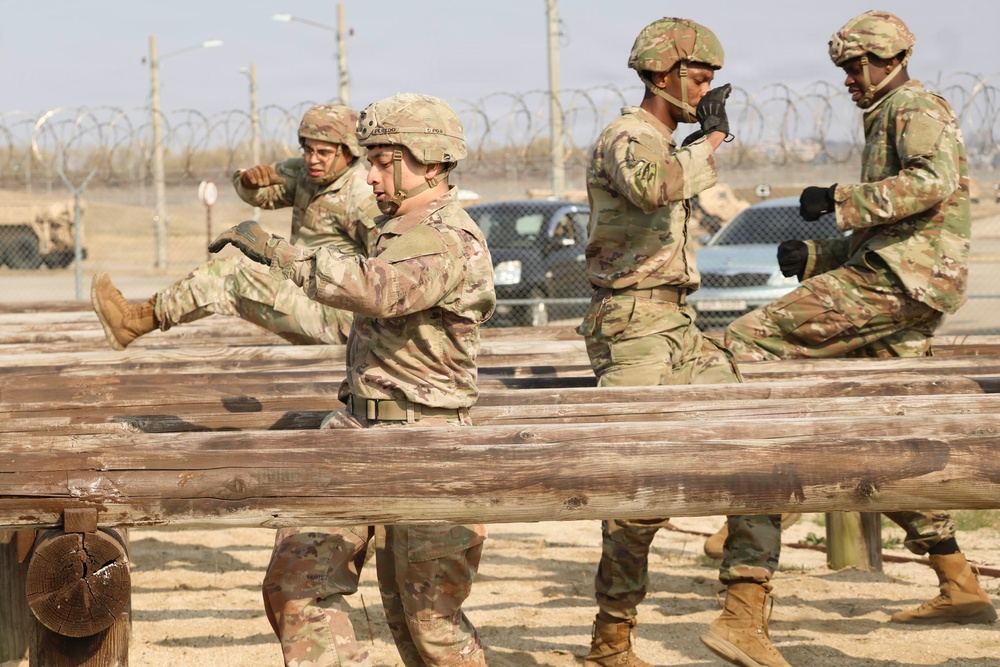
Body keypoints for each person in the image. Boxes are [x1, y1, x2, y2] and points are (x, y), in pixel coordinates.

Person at [714, 10, 997, 666]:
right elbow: (894, 227)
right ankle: (959, 581)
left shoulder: (911, 106)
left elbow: (932, 184)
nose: (846, 79)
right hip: (907, 278)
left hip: (903, 283)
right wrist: (815, 259)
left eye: (853, 66)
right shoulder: (889, 112)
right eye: (840, 68)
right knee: (883, 439)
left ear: (886, 58)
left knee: (743, 343)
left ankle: (746, 551)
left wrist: (840, 197)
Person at [208, 92, 495, 667]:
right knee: (297, 586)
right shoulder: (392, 227)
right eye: (372, 161)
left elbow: (376, 289)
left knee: (429, 629)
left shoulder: (449, 238)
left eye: (387, 162)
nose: (373, 176)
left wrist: (280, 254)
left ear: (432, 163)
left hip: (428, 445)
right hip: (357, 431)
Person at [575, 16, 746, 667]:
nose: (706, 87)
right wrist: (713, 140)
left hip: (677, 322)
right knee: (636, 495)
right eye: (698, 75)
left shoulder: (670, 143)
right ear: (660, 75)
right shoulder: (627, 137)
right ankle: (611, 637)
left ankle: (745, 607)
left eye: (711, 78)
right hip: (631, 328)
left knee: (760, 445)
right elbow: (653, 187)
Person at [91, 103, 379, 350]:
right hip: (307, 293)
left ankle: (131, 322)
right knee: (231, 278)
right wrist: (248, 182)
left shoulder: (361, 197)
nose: (313, 159)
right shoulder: (308, 174)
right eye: (307, 149)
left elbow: (382, 276)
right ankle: (133, 322)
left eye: (324, 153)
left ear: (348, 152)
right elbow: (265, 191)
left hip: (343, 320)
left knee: (230, 277)